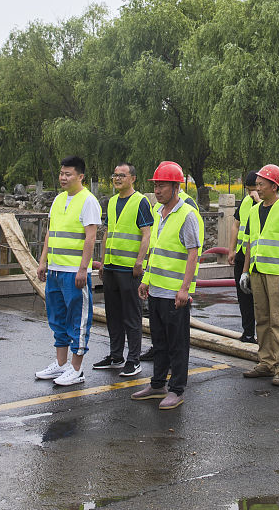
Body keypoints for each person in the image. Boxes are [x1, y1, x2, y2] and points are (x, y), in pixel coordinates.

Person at [131, 161, 201, 410]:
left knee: (177, 343)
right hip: (157, 289)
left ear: (175, 186)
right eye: (155, 186)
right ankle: (157, 383)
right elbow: (156, 251)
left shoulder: (186, 215)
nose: (157, 190)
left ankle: (177, 389)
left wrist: (184, 289)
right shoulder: (158, 213)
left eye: (161, 186)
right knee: (159, 341)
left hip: (174, 293)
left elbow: (193, 254)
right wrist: (147, 280)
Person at [35, 156, 101, 387]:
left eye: (68, 174)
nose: (63, 177)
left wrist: (83, 269)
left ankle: (76, 368)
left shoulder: (88, 201)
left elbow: (91, 237)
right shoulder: (58, 200)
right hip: (55, 270)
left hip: (74, 271)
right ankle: (60, 364)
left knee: (78, 320)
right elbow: (50, 233)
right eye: (62, 173)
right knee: (57, 318)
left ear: (80, 176)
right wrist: (43, 262)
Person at [240, 164, 279, 386]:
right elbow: (249, 242)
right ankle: (265, 362)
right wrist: (245, 271)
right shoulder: (254, 210)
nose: (258, 187)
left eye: (262, 184)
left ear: (274, 186)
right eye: (257, 184)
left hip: (277, 274)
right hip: (257, 272)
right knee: (263, 319)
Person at [95, 162, 154, 377]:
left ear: (132, 179)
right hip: (111, 266)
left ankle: (133, 359)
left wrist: (140, 262)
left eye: (122, 175)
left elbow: (146, 234)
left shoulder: (140, 202)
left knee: (131, 315)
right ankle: (115, 355)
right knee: (113, 314)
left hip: (129, 269)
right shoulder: (111, 202)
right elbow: (108, 232)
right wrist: (102, 261)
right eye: (115, 175)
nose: (117, 178)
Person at [231, 172, 260, 343]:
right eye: (248, 190)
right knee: (243, 296)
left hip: (260, 258)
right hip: (243, 254)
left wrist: (258, 201)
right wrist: (231, 249)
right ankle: (247, 332)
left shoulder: (268, 205)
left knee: (260, 300)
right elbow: (236, 225)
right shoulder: (245, 202)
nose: (251, 193)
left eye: (254, 189)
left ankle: (263, 336)